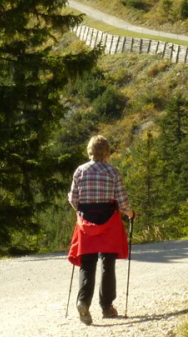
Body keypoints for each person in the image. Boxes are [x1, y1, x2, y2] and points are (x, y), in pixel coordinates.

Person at [67, 134, 135, 325]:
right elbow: (122, 203)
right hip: (109, 222)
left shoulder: (80, 171)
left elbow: (73, 199)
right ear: (106, 152)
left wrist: (82, 212)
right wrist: (130, 214)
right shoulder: (113, 172)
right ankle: (106, 307)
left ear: (90, 151)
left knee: (87, 264)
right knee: (108, 263)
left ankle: (83, 303)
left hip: (86, 223)